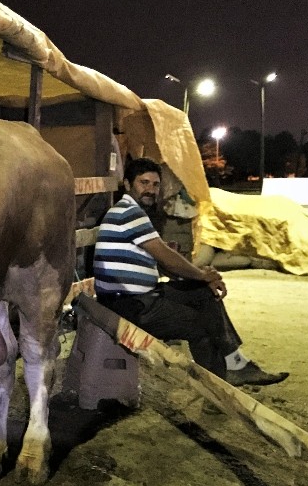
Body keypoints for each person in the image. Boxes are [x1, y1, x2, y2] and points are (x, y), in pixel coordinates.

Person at [93, 157, 288, 387]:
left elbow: (162, 262)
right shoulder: (128, 212)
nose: (150, 190)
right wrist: (203, 274)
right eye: (144, 183)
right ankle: (220, 388)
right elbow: (167, 258)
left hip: (142, 297)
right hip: (131, 305)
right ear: (127, 184)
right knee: (201, 325)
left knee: (203, 293)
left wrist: (200, 277)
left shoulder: (132, 211)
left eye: (155, 185)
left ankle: (235, 362)